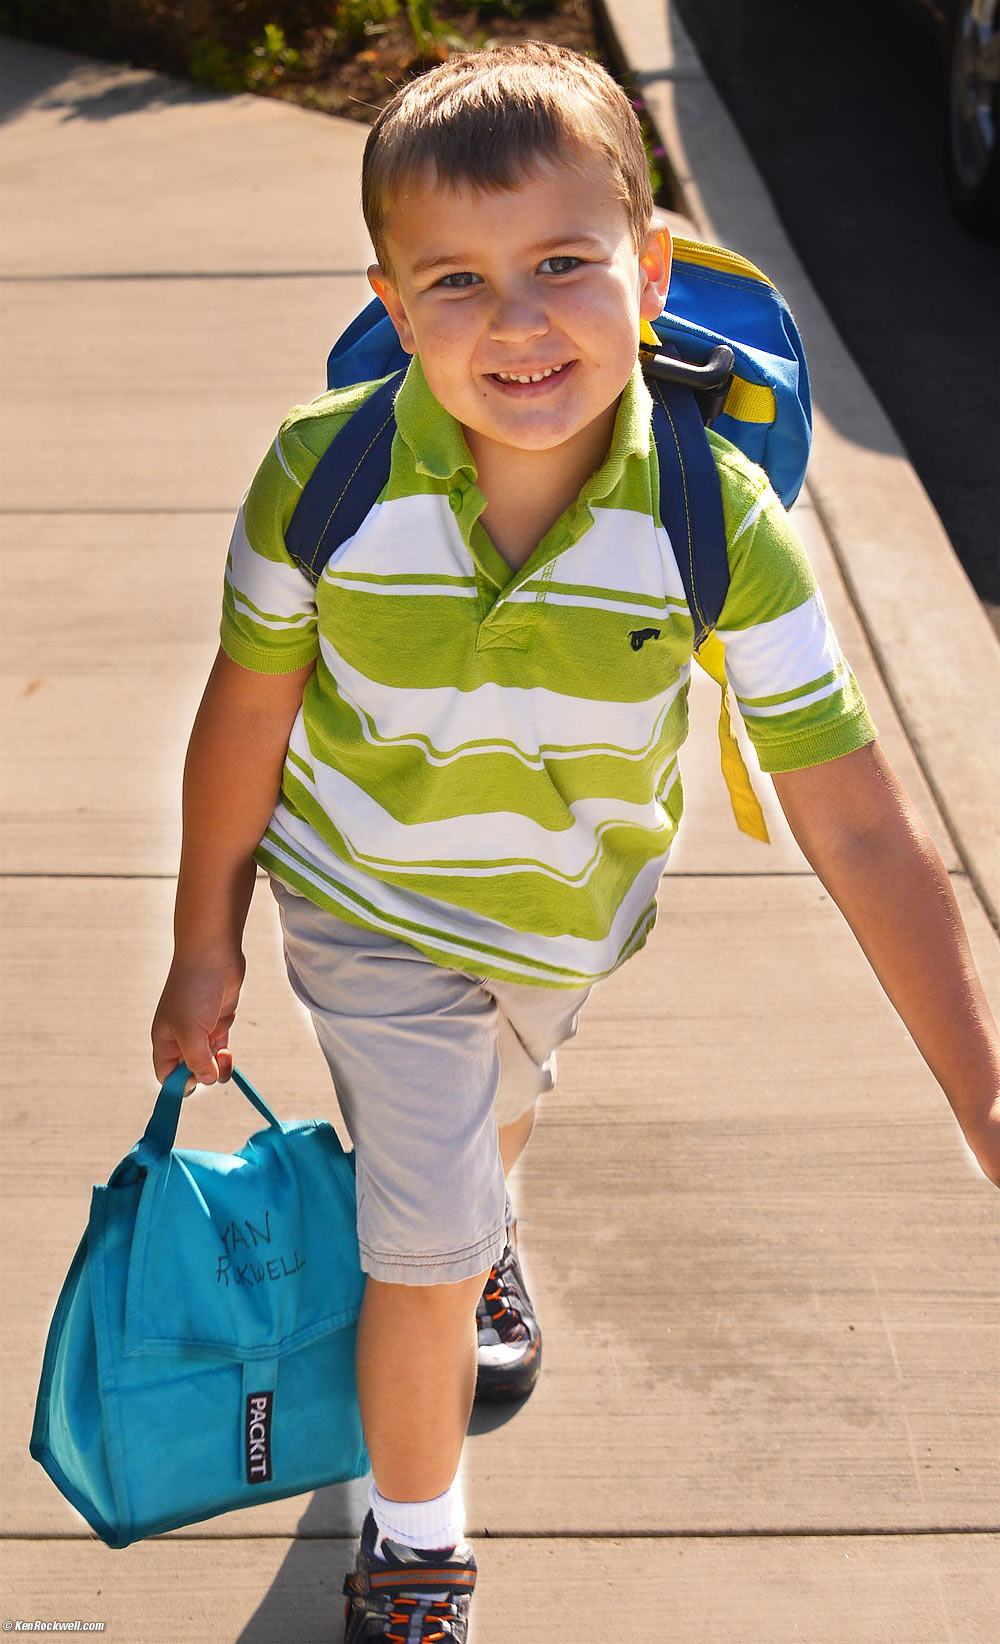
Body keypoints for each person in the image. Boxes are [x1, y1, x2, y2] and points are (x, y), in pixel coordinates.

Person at [151, 42, 1000, 1643]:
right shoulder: (322, 480)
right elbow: (247, 716)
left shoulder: (713, 516)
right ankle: (414, 1553)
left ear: (652, 269)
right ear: (393, 306)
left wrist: (982, 1087)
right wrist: (211, 934)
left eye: (561, 264)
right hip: (368, 905)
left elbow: (863, 822)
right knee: (419, 1246)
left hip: (561, 922)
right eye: (456, 282)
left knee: (478, 1159)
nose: (518, 320)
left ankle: (484, 1230)